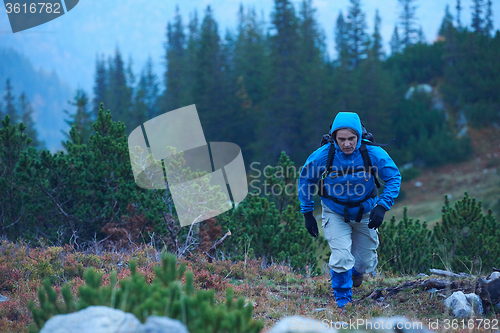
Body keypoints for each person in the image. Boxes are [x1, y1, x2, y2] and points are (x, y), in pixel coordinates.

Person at [298, 112, 401, 308]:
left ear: (359, 136)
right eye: (342, 139)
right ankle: (343, 301)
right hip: (334, 211)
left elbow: (394, 177)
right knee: (342, 256)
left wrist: (382, 206)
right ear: (334, 138)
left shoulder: (372, 153)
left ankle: (354, 273)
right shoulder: (323, 155)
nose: (347, 144)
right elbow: (306, 181)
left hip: (366, 211)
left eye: (351, 139)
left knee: (365, 261)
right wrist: (307, 213)